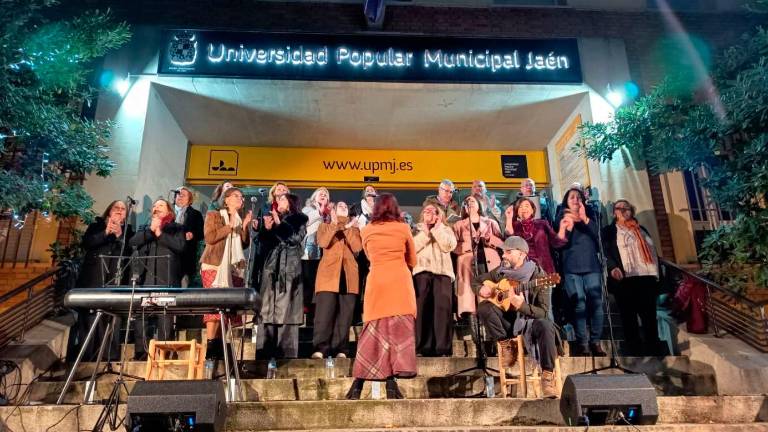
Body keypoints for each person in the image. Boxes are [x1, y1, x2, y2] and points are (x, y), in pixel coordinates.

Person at [346, 193, 417, 400]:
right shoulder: (403, 228)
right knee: (396, 334)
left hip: (377, 282)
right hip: (399, 282)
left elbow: (369, 256)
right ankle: (391, 384)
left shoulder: (367, 230)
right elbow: (412, 259)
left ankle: (359, 385)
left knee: (374, 334)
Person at [473, 236, 560, 399]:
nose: (503, 255)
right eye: (503, 252)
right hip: (509, 324)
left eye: (508, 252)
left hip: (531, 322)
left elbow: (544, 313)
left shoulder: (539, 276)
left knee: (546, 325)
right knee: (484, 307)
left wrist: (522, 306)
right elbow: (476, 281)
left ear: (521, 254)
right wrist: (480, 289)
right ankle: (507, 345)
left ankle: (547, 377)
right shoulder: (500, 272)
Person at [602, 199, 664, 356]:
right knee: (628, 317)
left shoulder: (641, 229)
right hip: (625, 279)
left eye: (626, 208)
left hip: (645, 277)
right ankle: (634, 350)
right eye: (619, 208)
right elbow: (605, 252)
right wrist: (612, 267)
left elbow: (652, 252)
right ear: (613, 213)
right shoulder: (609, 231)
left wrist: (657, 274)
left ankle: (654, 349)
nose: (623, 210)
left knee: (649, 316)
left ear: (632, 211)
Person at [75, 200, 134, 361]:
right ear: (109, 210)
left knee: (111, 316)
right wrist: (106, 232)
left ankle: (109, 357)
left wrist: (119, 235)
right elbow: (86, 243)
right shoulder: (97, 225)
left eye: (123, 209)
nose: (119, 210)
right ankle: (87, 357)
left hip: (114, 279)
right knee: (89, 316)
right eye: (116, 207)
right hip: (93, 278)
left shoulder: (128, 230)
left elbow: (130, 251)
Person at [128, 198, 186, 360]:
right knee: (141, 315)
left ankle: (164, 353)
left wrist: (160, 233)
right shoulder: (145, 228)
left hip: (166, 278)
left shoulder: (176, 228)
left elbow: (180, 246)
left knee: (164, 315)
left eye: (160, 205)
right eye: (154, 206)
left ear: (169, 211)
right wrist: (150, 231)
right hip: (145, 279)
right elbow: (132, 242)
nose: (156, 207)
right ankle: (141, 352)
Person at [199, 187, 253, 359]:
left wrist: (244, 226)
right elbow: (210, 238)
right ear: (226, 199)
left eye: (242, 197)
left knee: (228, 308)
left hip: (234, 267)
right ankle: (211, 346)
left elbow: (244, 244)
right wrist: (229, 226)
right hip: (214, 264)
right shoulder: (214, 215)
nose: (240, 199)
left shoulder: (239, 218)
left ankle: (221, 345)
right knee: (215, 306)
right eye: (236, 196)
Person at [554, 188, 605, 357]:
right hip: (571, 268)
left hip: (591, 266)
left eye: (578, 197)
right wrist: (565, 228)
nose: (576, 200)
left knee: (596, 303)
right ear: (566, 201)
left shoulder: (592, 215)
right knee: (579, 304)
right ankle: (582, 343)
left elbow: (599, 237)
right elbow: (557, 244)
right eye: (572, 197)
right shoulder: (561, 217)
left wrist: (584, 218)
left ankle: (596, 342)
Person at [257, 192, 307, 359]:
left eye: (283, 198)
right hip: (272, 267)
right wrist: (266, 229)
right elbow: (264, 243)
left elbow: (295, 239)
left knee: (287, 308)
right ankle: (264, 352)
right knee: (267, 307)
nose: (278, 200)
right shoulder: (272, 217)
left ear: (291, 203)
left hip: (289, 268)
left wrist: (279, 225)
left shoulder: (300, 219)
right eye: (278, 198)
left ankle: (286, 354)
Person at [311, 201, 362, 359]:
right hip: (328, 275)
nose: (343, 207)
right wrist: (335, 224)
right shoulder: (324, 226)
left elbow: (357, 247)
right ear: (333, 210)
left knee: (345, 315)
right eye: (340, 205)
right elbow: (323, 242)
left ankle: (341, 348)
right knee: (324, 314)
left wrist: (347, 228)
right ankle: (321, 348)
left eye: (346, 206)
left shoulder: (354, 229)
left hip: (349, 276)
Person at [412, 203, 457, 357]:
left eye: (433, 211)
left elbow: (448, 246)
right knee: (422, 309)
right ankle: (421, 347)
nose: (429, 213)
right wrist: (425, 232)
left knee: (442, 310)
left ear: (439, 215)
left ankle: (442, 348)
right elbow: (412, 248)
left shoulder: (446, 229)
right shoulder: (415, 229)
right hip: (421, 272)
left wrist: (437, 230)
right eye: (426, 211)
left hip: (442, 273)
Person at [453, 195, 504, 316]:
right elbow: (452, 245)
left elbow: (502, 243)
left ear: (479, 205)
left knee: (490, 290)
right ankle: (473, 320)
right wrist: (468, 245)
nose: (469, 202)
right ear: (464, 208)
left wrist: (489, 239)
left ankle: (492, 318)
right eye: (467, 201)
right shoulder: (458, 225)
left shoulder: (490, 222)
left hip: (489, 261)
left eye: (472, 200)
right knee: (470, 293)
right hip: (467, 263)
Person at [503, 198, 569, 274]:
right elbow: (509, 242)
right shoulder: (515, 226)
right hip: (525, 269)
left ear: (532, 210)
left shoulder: (542, 223)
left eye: (527, 206)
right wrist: (509, 218)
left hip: (546, 268)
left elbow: (555, 242)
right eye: (520, 207)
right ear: (517, 212)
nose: (524, 208)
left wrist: (562, 228)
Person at [302, 187, 332, 320]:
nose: (323, 195)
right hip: (309, 251)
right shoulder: (307, 209)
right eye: (321, 193)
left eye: (326, 194)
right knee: (308, 280)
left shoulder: (329, 213)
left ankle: (316, 309)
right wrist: (320, 211)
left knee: (319, 282)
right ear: (314, 197)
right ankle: (305, 308)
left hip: (324, 251)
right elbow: (305, 221)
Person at [174, 187, 204, 287]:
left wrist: (193, 235)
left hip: (186, 257)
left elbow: (201, 233)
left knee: (183, 287)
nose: (180, 196)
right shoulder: (168, 211)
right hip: (168, 257)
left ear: (189, 199)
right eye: (178, 194)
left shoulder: (196, 214)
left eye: (184, 195)